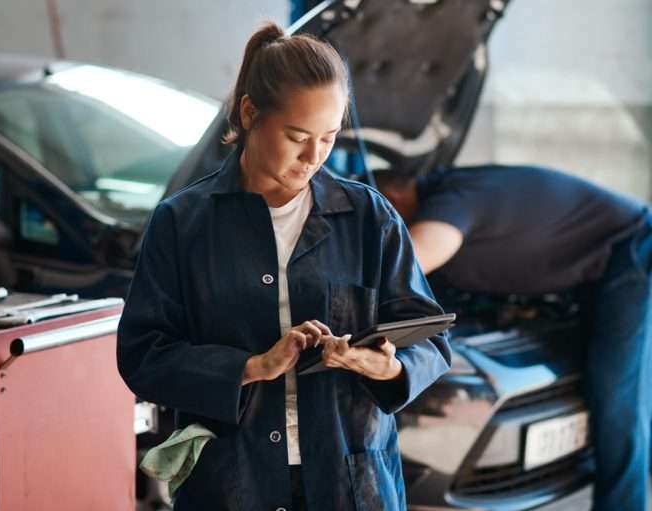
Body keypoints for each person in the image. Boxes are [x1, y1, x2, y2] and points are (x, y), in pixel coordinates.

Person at [117, 23, 451, 511]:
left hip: (350, 485)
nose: (313, 156)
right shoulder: (183, 224)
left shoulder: (368, 218)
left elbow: (430, 338)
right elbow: (143, 355)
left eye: (329, 137)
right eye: (297, 136)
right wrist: (251, 367)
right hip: (233, 482)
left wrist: (385, 365)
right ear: (251, 113)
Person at [375, 164, 652, 511]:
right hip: (584, 274)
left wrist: (350, 291)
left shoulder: (455, 197)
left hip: (631, 249)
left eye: (380, 219)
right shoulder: (451, 192)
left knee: (619, 398)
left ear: (395, 201)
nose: (380, 234)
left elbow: (411, 261)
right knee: (608, 390)